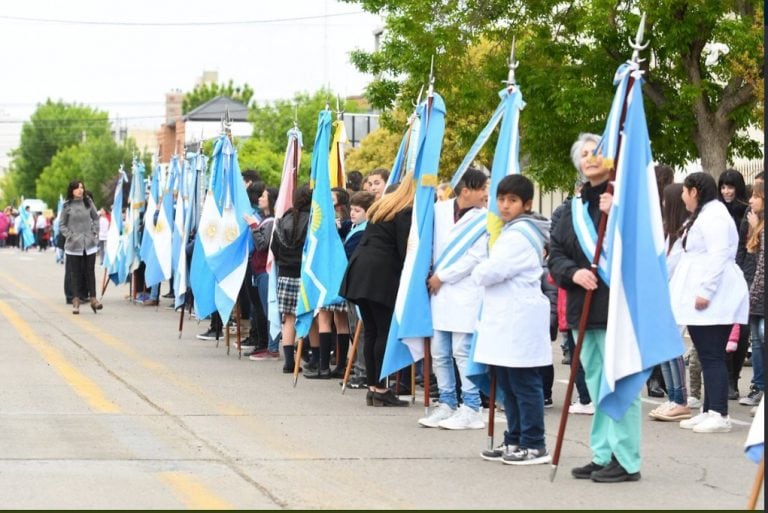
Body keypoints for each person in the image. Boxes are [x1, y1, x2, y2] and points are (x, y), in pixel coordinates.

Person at [549, 133, 641, 482]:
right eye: (584, 154)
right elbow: (555, 252)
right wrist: (573, 274)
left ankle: (626, 458)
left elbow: (638, 248)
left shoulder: (624, 201)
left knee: (620, 383)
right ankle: (603, 454)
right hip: (581, 306)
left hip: (617, 306)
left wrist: (615, 215)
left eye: (596, 153)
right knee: (596, 381)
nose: (589, 158)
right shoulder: (570, 208)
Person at [473, 174, 552, 465]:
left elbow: (491, 271)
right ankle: (515, 439)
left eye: (512, 200)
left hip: (518, 317)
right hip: (507, 317)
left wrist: (480, 269)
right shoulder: (512, 230)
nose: (505, 205)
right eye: (502, 199)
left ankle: (534, 443)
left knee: (523, 382)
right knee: (507, 381)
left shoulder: (520, 234)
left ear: (527, 204)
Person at [671, 172, 749, 433]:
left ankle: (719, 413)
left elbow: (718, 256)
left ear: (695, 191)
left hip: (714, 298)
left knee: (713, 355)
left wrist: (706, 290)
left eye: (685, 191)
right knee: (705, 353)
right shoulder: (703, 215)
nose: (682, 197)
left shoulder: (715, 216)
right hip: (700, 298)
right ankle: (708, 409)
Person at [419, 168, 488, 430]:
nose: (486, 194)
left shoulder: (485, 219)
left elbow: (475, 257)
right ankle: (447, 403)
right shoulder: (439, 210)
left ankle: (472, 407)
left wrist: (442, 276)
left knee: (462, 352)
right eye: (482, 189)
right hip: (438, 294)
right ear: (466, 190)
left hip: (464, 292)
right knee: (439, 353)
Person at [340, 172, 415, 407]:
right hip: (380, 275)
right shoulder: (404, 211)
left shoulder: (380, 210)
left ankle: (373, 387)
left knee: (372, 331)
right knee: (382, 331)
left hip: (361, 271)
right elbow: (405, 251)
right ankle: (381, 388)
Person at [648, 183, 692, 422]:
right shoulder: (668, 232)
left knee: (672, 348)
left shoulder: (684, 232)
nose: (662, 205)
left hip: (676, 297)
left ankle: (680, 399)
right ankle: (673, 396)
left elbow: (670, 268)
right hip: (663, 297)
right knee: (663, 349)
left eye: (666, 201)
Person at [271, 184, 312, 373]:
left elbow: (274, 248)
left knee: (288, 318)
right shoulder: (314, 221)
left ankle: (289, 362)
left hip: (286, 274)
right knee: (310, 315)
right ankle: (315, 359)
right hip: (305, 274)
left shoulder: (283, 219)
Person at [340, 191, 376, 389]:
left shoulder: (364, 231)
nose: (352, 214)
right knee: (355, 329)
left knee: (362, 330)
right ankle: (357, 367)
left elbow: (347, 254)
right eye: (351, 209)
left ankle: (362, 371)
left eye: (357, 210)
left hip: (359, 283)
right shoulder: (354, 228)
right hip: (352, 284)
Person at [247, 186, 281, 360]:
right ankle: (269, 345)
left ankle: (273, 348)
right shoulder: (265, 220)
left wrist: (253, 226)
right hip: (259, 271)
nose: (259, 198)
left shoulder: (271, 222)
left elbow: (263, 245)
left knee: (270, 310)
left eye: (264, 196)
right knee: (264, 309)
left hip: (266, 271)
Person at [739, 177, 764, 409]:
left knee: (762, 338)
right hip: (754, 289)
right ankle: (758, 386)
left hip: (759, 292)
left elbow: (761, 262)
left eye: (755, 196)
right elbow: (748, 254)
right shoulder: (752, 221)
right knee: (756, 340)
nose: (750, 201)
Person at [60, 180, 101, 314]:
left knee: (90, 271)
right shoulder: (67, 205)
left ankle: (94, 298)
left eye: (82, 187)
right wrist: (70, 235)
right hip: (73, 244)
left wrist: (94, 231)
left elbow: (96, 218)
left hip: (89, 243)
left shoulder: (88, 202)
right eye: (77, 188)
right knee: (75, 273)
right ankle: (76, 299)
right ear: (71, 190)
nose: (80, 190)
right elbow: (62, 225)